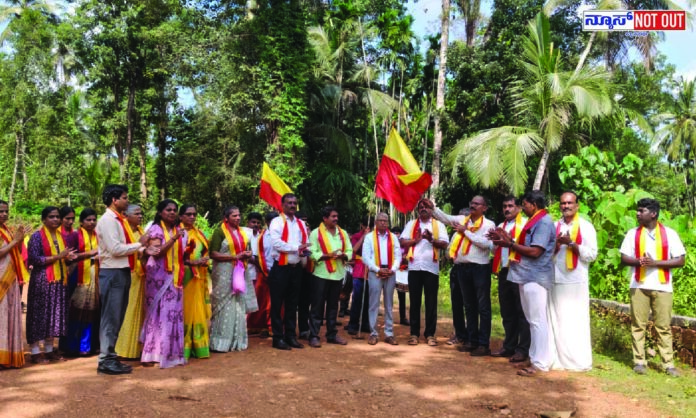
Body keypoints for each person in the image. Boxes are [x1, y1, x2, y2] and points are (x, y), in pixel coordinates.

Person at [489, 190, 556, 377]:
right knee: (532, 320)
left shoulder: (543, 222)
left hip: (536, 276)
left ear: (534, 204)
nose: (522, 208)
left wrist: (510, 244)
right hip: (525, 275)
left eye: (524, 205)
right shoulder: (534, 221)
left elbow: (535, 251)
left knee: (537, 320)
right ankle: (534, 358)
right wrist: (508, 240)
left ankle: (540, 363)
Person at [620, 198, 685, 377]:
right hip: (638, 285)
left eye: (642, 211)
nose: (637, 214)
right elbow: (624, 258)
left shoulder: (669, 234)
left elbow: (680, 260)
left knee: (663, 326)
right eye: (638, 210)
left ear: (653, 213)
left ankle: (668, 364)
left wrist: (655, 263)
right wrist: (639, 261)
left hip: (662, 286)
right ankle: (639, 361)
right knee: (638, 325)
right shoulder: (632, 234)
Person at [96, 184, 149, 375]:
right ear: (114, 200)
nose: (127, 201)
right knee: (111, 317)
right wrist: (139, 245)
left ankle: (110, 357)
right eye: (125, 198)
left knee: (116, 316)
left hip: (121, 270)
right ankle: (106, 360)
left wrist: (142, 249)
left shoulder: (118, 220)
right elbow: (115, 249)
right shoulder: (108, 221)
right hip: (113, 272)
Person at [430, 199, 495, 355]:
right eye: (472, 202)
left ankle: (483, 344)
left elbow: (485, 244)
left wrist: (465, 232)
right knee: (469, 306)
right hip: (462, 268)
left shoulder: (489, 224)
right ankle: (472, 341)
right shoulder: (462, 220)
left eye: (477, 204)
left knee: (483, 307)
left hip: (480, 268)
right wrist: (433, 208)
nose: (473, 205)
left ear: (484, 208)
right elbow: (445, 218)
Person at [549, 191, 597, 371]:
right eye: (563, 203)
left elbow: (591, 255)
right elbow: (546, 254)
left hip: (575, 281)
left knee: (575, 322)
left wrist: (571, 243)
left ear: (577, 205)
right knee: (557, 320)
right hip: (555, 278)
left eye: (570, 203)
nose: (566, 206)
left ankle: (577, 361)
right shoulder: (554, 226)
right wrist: (557, 245)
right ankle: (557, 360)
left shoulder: (586, 227)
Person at [26, 206, 77, 364]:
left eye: (57, 216)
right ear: (43, 219)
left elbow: (62, 258)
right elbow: (35, 260)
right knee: (39, 315)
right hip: (42, 281)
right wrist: (58, 257)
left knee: (54, 315)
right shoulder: (36, 237)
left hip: (58, 282)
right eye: (51, 216)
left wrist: (67, 258)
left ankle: (49, 349)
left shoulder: (61, 236)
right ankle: (35, 352)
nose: (55, 219)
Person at [140, 199, 187, 368]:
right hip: (158, 277)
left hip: (174, 276)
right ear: (160, 213)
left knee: (173, 313)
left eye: (174, 210)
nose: (172, 212)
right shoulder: (155, 229)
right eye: (168, 210)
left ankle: (171, 354)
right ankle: (154, 354)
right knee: (159, 314)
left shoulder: (176, 230)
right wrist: (174, 238)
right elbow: (157, 252)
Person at [400, 199, 449, 346]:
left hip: (431, 268)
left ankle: (430, 334)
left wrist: (431, 239)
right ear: (418, 210)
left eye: (426, 207)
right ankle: (414, 334)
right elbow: (402, 241)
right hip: (414, 267)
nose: (423, 209)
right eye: (421, 207)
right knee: (414, 301)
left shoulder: (438, 225)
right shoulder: (411, 224)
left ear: (431, 210)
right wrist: (415, 241)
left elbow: (444, 244)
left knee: (431, 302)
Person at [209, 205, 257, 351]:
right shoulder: (219, 232)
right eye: (234, 216)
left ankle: (237, 340)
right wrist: (234, 257)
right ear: (226, 218)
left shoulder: (243, 232)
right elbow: (213, 254)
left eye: (239, 215)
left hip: (239, 270)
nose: (238, 218)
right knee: (224, 303)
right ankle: (220, 342)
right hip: (224, 271)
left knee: (238, 303)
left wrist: (248, 254)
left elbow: (248, 249)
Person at [489, 196, 530, 363]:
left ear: (519, 208)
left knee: (522, 311)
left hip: (520, 269)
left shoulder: (526, 224)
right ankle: (509, 346)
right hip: (504, 271)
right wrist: (494, 240)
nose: (507, 209)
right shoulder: (500, 226)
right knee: (507, 310)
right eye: (504, 206)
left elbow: (529, 247)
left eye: (510, 206)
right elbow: (494, 250)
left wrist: (509, 241)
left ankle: (523, 349)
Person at [267, 193, 309, 350]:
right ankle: (277, 338)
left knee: (292, 303)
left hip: (296, 268)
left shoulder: (300, 223)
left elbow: (304, 243)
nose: (292, 205)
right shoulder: (277, 222)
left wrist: (304, 251)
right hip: (280, 268)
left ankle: (290, 336)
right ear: (282, 205)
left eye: (294, 203)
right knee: (277, 304)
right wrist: (296, 248)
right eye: (289, 202)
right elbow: (276, 243)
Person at [307, 206, 352, 348]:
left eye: (336, 216)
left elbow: (350, 250)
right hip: (321, 274)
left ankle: (332, 334)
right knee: (317, 306)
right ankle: (314, 336)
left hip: (337, 274)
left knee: (333, 306)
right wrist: (327, 256)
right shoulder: (315, 233)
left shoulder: (342, 233)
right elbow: (311, 252)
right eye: (333, 216)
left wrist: (344, 255)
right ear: (325, 218)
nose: (336, 219)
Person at [64, 208, 101, 356]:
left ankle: (86, 346)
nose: (91, 222)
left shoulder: (98, 236)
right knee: (75, 311)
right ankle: (71, 347)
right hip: (77, 276)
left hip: (95, 275)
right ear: (81, 222)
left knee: (91, 311)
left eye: (94, 220)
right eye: (88, 220)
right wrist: (89, 254)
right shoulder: (74, 236)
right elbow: (68, 257)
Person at [363, 212, 400, 345]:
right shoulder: (369, 237)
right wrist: (378, 269)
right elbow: (366, 257)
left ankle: (389, 333)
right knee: (374, 303)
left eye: (385, 220)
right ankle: (373, 333)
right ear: (376, 222)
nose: (383, 222)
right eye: (381, 220)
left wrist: (393, 269)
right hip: (375, 273)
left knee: (389, 304)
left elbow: (398, 255)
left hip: (390, 273)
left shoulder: (393, 238)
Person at [0, 201, 30, 368]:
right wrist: (15, 241)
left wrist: (19, 241)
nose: (4, 214)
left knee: (9, 315)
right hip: (1, 279)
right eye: (0, 211)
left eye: (6, 211)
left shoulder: (7, 230)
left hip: (11, 279)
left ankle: (8, 356)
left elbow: (15, 253)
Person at [115, 204, 147, 359]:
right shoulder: (121, 231)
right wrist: (139, 245)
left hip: (141, 275)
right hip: (126, 273)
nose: (140, 216)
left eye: (141, 213)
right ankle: (121, 349)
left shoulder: (142, 232)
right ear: (125, 216)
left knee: (140, 311)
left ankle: (136, 348)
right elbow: (119, 250)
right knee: (127, 311)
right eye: (136, 213)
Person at [180, 204, 211, 359]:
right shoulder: (177, 233)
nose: (192, 217)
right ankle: (183, 347)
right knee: (185, 310)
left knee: (196, 309)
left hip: (198, 276)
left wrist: (204, 261)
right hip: (183, 277)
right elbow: (174, 257)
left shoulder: (199, 234)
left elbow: (205, 252)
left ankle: (198, 346)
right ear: (181, 216)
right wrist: (192, 262)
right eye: (188, 214)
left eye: (194, 214)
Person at [246, 212, 278, 338]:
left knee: (275, 301)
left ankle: (272, 326)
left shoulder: (282, 235)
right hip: (262, 271)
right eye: (272, 222)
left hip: (278, 271)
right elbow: (257, 255)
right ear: (268, 222)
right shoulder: (261, 236)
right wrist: (263, 269)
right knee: (260, 299)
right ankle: (256, 326)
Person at [345, 217, 372, 335]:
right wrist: (364, 237)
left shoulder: (375, 237)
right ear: (362, 226)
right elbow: (354, 250)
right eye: (366, 226)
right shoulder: (356, 236)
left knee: (368, 299)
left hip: (371, 268)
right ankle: (353, 324)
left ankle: (365, 323)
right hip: (359, 268)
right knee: (357, 298)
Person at [296, 211, 313, 340]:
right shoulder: (292, 234)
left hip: (308, 271)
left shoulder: (311, 235)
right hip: (294, 269)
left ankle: (304, 329)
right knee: (291, 301)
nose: (305, 223)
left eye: (306, 221)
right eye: (302, 220)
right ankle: (289, 330)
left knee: (305, 301)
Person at [390, 226, 409, 326]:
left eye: (398, 233)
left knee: (402, 296)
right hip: (391, 272)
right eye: (394, 233)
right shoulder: (389, 244)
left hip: (402, 273)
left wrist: (406, 259)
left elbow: (410, 258)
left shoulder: (406, 246)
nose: (396, 235)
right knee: (388, 295)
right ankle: (388, 317)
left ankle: (403, 317)